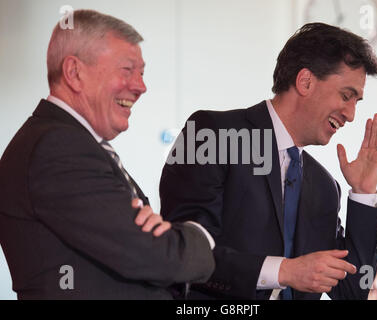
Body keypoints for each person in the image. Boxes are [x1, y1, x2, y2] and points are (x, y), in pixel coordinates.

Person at [160, 23, 377, 300]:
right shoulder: (213, 134)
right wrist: (284, 271)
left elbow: (354, 290)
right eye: (346, 95)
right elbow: (185, 250)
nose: (351, 115)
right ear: (305, 82)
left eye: (357, 101)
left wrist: (364, 194)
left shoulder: (326, 186)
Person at [0, 9, 215, 299]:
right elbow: (157, 257)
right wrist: (197, 234)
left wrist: (167, 237)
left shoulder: (66, 142)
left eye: (142, 72)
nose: (141, 86)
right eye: (127, 70)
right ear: (75, 73)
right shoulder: (57, 147)